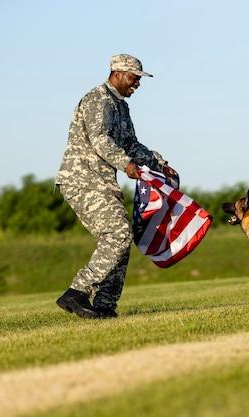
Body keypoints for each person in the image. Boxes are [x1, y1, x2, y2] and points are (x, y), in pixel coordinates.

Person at [55, 54, 178, 319]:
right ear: (118, 74)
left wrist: (160, 163)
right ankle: (77, 291)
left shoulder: (120, 107)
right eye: (134, 78)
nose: (137, 84)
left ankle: (104, 304)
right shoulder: (97, 100)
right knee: (119, 234)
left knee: (120, 239)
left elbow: (131, 144)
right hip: (82, 181)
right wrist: (126, 165)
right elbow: (100, 140)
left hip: (101, 182)